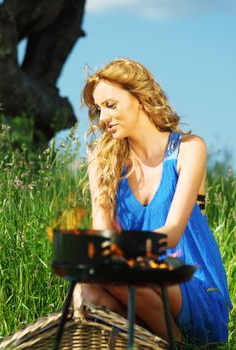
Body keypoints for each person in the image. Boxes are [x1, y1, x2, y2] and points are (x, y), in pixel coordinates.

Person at [77, 57, 232, 346]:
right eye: (98, 110)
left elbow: (173, 231)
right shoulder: (102, 160)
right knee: (87, 293)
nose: (103, 118)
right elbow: (102, 233)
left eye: (111, 105)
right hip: (133, 283)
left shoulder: (188, 149)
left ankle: (177, 344)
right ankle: (159, 342)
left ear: (139, 97)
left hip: (191, 287)